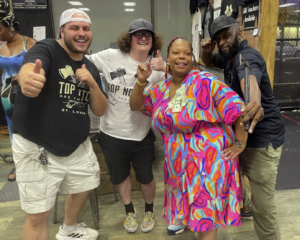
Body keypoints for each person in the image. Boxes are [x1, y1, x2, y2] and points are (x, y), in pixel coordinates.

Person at [130, 36, 248, 239]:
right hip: (178, 166)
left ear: (192, 57)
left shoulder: (205, 81)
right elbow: (137, 105)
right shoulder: (162, 89)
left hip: (207, 164)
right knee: (193, 218)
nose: (181, 57)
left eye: (186, 52)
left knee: (205, 220)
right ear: (168, 57)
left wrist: (240, 143)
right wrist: (141, 80)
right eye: (176, 52)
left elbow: (238, 110)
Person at [12, 9, 107, 240]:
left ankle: (69, 229)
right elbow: (30, 67)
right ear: (62, 31)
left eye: (86, 28)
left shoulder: (90, 67)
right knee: (37, 216)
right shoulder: (47, 48)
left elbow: (101, 109)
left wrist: (93, 84)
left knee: (87, 182)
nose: (81, 33)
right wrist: (27, 79)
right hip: (38, 144)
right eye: (74, 28)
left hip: (76, 145)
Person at [200, 15, 285, 240]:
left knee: (263, 209)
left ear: (239, 33)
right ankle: (244, 205)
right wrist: (207, 50)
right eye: (218, 39)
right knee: (232, 169)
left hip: (262, 141)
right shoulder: (229, 55)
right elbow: (208, 62)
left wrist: (252, 100)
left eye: (226, 36)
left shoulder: (245, 57)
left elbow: (249, 78)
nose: (222, 42)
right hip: (244, 135)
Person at [86, 19, 165, 233]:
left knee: (147, 178)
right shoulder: (111, 57)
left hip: (142, 134)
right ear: (129, 38)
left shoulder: (158, 66)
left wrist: (166, 68)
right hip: (111, 132)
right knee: (120, 177)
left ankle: (149, 210)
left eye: (147, 35)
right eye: (137, 34)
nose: (143, 38)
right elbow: (80, 59)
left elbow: (188, 79)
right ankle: (129, 211)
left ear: (152, 40)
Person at [0, 0, 36, 182]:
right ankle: (18, 162)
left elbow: (41, 69)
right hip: (7, 97)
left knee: (28, 127)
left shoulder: (29, 44)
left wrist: (23, 75)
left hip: (27, 95)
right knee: (13, 129)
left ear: (10, 26)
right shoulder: (0, 46)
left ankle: (35, 160)